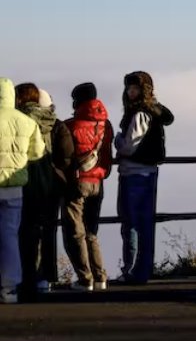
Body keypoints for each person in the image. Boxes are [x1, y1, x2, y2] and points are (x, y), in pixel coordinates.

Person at [115, 71, 174, 285]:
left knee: (131, 223)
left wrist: (118, 142)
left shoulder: (139, 113)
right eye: (129, 88)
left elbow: (130, 145)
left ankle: (132, 270)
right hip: (149, 172)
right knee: (145, 223)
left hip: (133, 173)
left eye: (135, 88)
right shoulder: (153, 111)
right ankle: (143, 269)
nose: (130, 92)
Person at [14, 83, 72, 298]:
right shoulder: (56, 124)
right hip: (53, 183)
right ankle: (45, 278)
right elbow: (67, 153)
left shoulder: (20, 120)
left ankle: (23, 276)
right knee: (48, 231)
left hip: (25, 181)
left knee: (24, 231)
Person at [61, 83, 114, 292]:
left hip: (77, 182)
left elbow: (64, 156)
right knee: (91, 231)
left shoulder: (71, 125)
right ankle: (100, 277)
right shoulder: (105, 124)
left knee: (75, 232)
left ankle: (85, 279)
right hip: (98, 182)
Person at [0, 77, 45, 304]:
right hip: (15, 187)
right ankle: (9, 288)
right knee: (9, 237)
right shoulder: (26, 121)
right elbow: (37, 152)